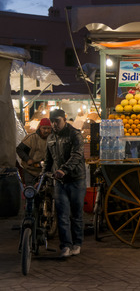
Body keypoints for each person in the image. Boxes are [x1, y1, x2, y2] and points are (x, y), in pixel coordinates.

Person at [42, 109, 86, 258]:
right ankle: (65, 246)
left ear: (65, 119)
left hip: (76, 179)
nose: (54, 124)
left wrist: (64, 170)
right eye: (52, 121)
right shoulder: (50, 138)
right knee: (62, 214)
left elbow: (77, 155)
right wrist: (42, 177)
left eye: (57, 121)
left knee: (76, 213)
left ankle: (77, 243)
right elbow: (48, 161)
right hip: (60, 182)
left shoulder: (75, 135)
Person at [16, 118, 52, 186]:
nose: (46, 130)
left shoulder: (53, 139)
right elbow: (19, 149)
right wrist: (27, 159)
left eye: (48, 128)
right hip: (31, 171)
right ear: (39, 127)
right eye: (44, 128)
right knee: (31, 192)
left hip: (46, 172)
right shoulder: (31, 138)